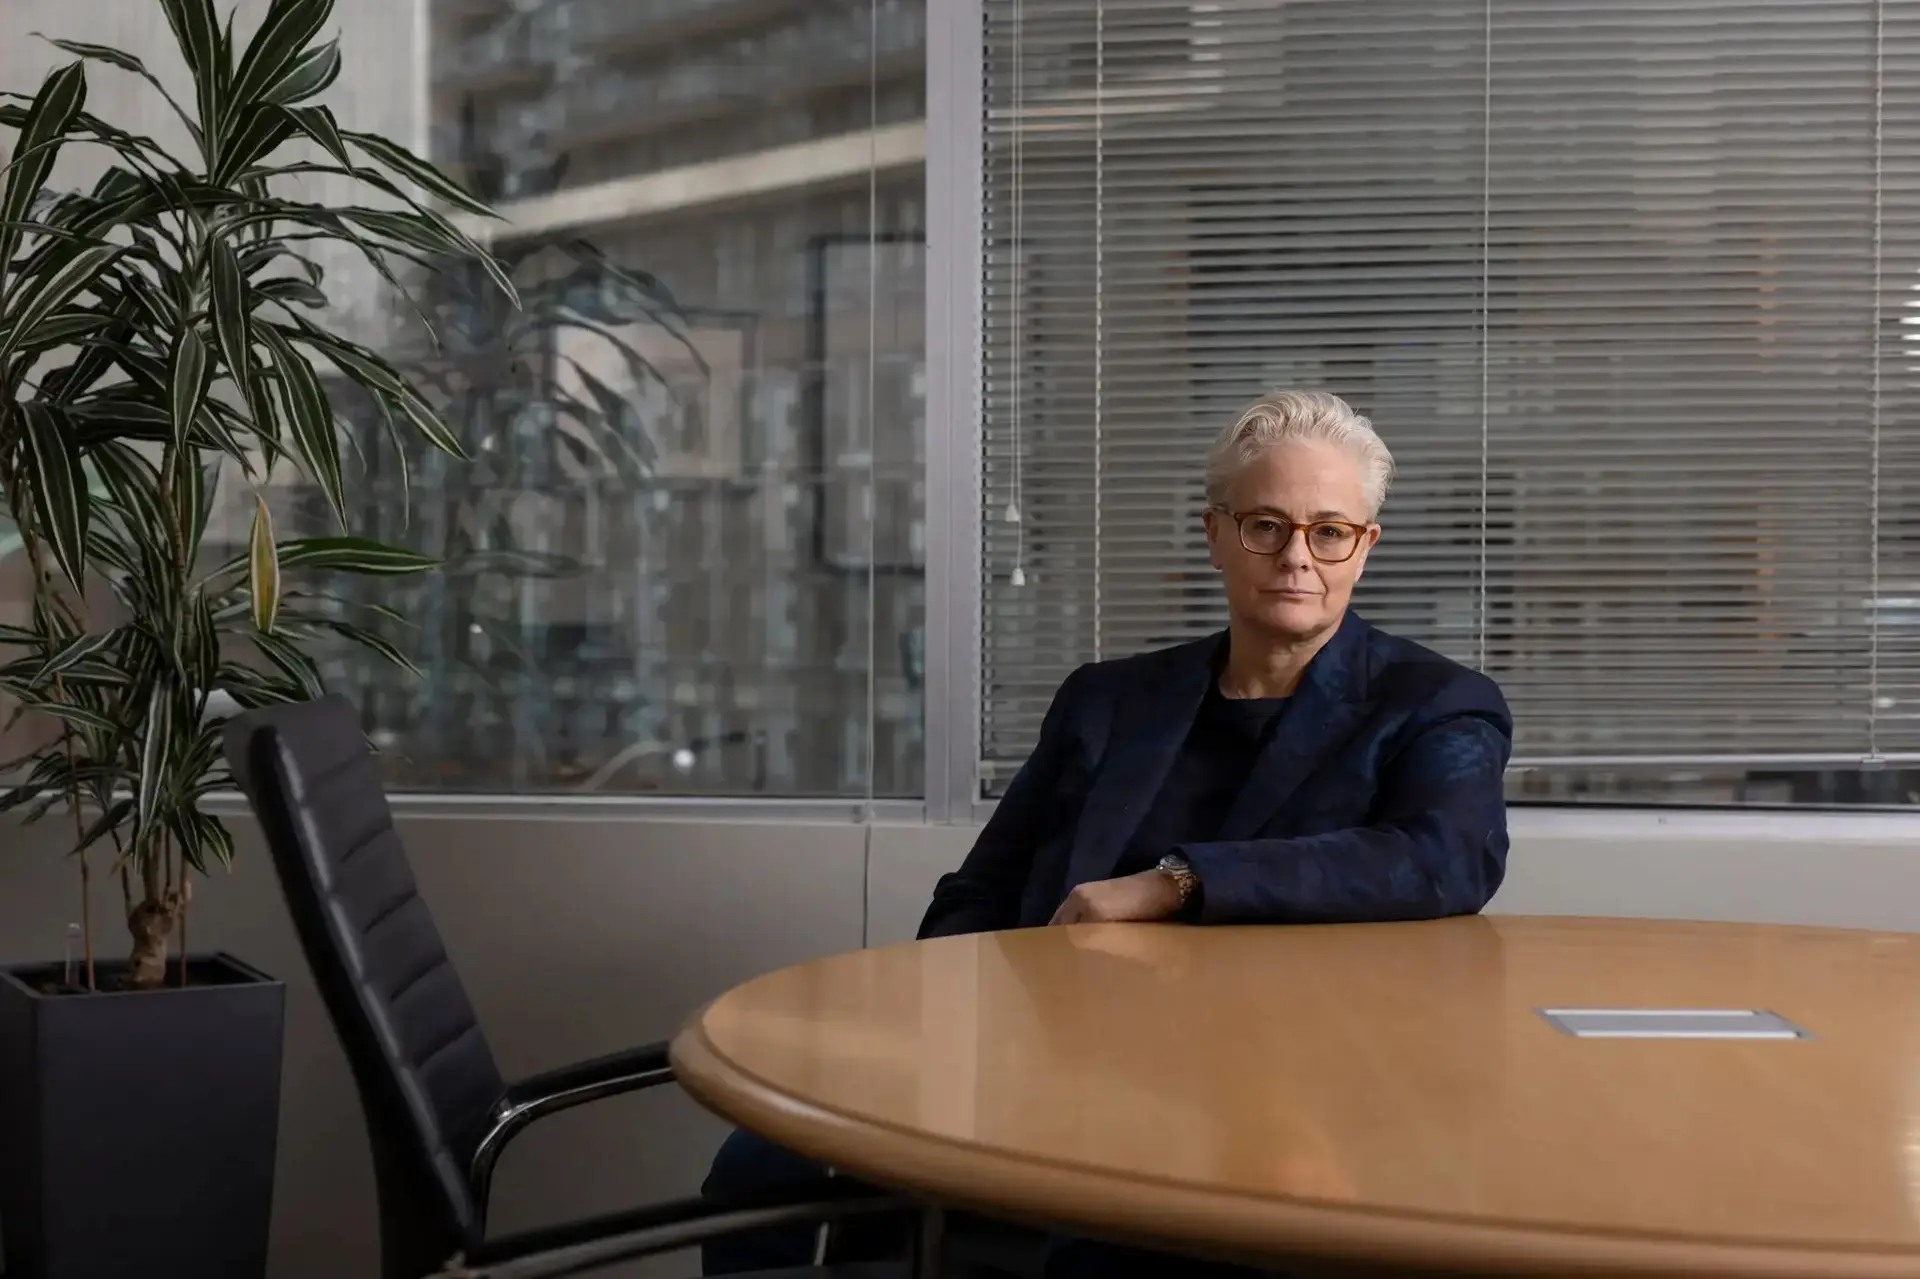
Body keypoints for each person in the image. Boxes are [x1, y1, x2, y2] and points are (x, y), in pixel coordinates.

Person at [700, 389, 1514, 1277]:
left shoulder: (1432, 705)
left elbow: (1444, 857)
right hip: (1048, 1055)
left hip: (1269, 1092)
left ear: (1366, 546)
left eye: (1329, 530)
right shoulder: (1109, 699)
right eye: (1265, 525)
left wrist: (1174, 881)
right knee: (760, 1162)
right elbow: (978, 892)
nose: (1296, 557)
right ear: (1214, 534)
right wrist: (940, 1033)